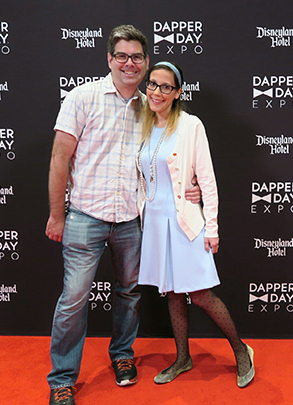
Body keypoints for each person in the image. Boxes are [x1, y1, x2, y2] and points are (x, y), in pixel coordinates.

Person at [45, 26, 200, 405]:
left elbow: (172, 159)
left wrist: (191, 188)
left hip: (132, 219)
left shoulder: (152, 107)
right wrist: (56, 214)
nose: (129, 63)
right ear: (109, 59)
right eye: (122, 56)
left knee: (128, 294)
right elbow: (60, 158)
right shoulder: (82, 97)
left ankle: (122, 355)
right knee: (74, 299)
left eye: (136, 57)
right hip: (85, 215)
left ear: (146, 63)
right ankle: (62, 379)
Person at [136, 61, 255, 388]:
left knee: (200, 294)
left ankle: (241, 351)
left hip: (185, 221)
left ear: (177, 93)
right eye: (152, 84)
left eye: (166, 87)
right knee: (173, 294)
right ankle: (182, 358)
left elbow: (208, 180)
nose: (157, 92)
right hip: (155, 224)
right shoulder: (141, 124)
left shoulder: (191, 126)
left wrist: (212, 227)